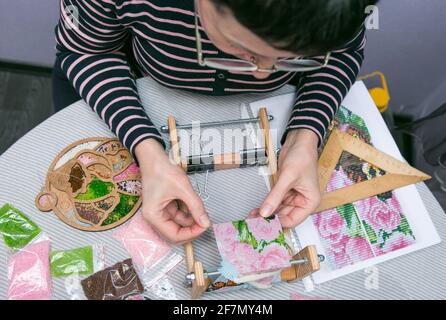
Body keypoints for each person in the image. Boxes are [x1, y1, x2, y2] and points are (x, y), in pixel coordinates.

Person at [53, 0, 377, 243]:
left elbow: (340, 55)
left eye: (293, 58)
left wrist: (305, 135)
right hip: (137, 95)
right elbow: (86, 52)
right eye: (240, 47)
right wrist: (145, 149)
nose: (265, 72)